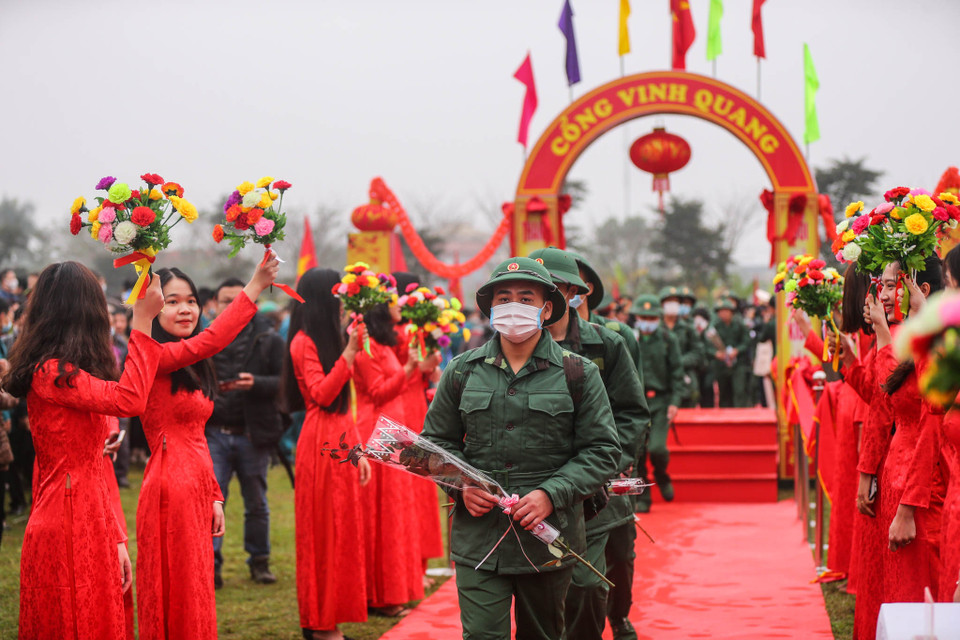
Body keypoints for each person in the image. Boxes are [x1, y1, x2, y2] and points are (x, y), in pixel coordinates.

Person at [422, 256, 620, 640]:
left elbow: (602, 451)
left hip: (549, 538)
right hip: (479, 538)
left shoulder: (578, 373)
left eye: (526, 299)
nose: (514, 306)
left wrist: (551, 494)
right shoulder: (462, 371)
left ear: (546, 309)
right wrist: (462, 485)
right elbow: (433, 444)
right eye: (504, 298)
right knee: (481, 635)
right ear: (491, 309)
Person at [4, 261, 164, 639]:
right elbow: (129, 400)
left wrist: (117, 540)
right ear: (84, 312)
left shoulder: (66, 371)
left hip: (90, 513)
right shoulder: (51, 372)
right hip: (67, 520)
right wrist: (142, 320)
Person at [136, 258, 279, 640]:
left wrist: (214, 493)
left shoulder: (192, 364)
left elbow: (197, 437)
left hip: (196, 482)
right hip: (171, 486)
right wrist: (255, 285)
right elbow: (214, 338)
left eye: (191, 301)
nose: (185, 309)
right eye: (171, 301)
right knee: (179, 586)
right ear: (151, 306)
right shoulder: (152, 356)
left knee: (196, 585)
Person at [529, 248, 648, 640]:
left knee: (609, 568)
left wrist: (612, 463)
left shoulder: (607, 344)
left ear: (573, 293)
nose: (544, 298)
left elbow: (632, 412)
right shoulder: (518, 346)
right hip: (541, 485)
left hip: (600, 482)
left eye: (553, 288)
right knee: (555, 582)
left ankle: (620, 616)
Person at [853, 256, 944, 638]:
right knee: (897, 588)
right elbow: (882, 403)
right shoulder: (906, 335)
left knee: (919, 593)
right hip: (897, 470)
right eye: (883, 284)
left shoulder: (937, 343)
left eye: (893, 285)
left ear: (921, 290)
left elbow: (920, 415)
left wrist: (883, 337)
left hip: (922, 479)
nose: (885, 294)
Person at [282, 268, 373, 640]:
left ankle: (331, 618)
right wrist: (349, 352)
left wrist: (358, 451)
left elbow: (342, 404)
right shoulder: (302, 342)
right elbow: (321, 395)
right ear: (323, 299)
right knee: (323, 534)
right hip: (320, 444)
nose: (342, 306)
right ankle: (320, 626)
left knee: (341, 532)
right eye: (338, 298)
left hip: (339, 439)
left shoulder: (328, 339)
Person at [206, 277, 286, 588]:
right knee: (213, 501)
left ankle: (260, 561)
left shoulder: (268, 338)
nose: (231, 306)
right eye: (225, 301)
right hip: (215, 431)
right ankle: (211, 565)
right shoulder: (205, 338)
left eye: (237, 300)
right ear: (214, 305)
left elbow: (284, 382)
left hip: (252, 432)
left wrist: (257, 383)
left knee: (257, 503)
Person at [352, 298, 424, 615]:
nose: (399, 306)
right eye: (392, 300)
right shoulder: (368, 350)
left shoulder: (383, 346)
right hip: (377, 432)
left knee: (395, 513)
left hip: (393, 431)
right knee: (384, 516)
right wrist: (407, 369)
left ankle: (395, 588)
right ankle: (381, 595)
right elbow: (378, 392)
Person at [391, 272, 444, 582]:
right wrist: (421, 368)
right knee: (407, 486)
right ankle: (410, 566)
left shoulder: (414, 330)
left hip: (416, 407)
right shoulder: (395, 332)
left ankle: (419, 564)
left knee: (419, 486)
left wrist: (430, 369)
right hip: (402, 407)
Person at [631, 295, 684, 512]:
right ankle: (644, 496)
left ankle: (661, 474)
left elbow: (677, 373)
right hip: (636, 401)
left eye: (651, 318)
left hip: (661, 401)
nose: (647, 322)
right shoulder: (629, 338)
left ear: (658, 318)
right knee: (639, 451)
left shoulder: (668, 339)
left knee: (657, 448)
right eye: (643, 317)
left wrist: (675, 402)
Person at [659, 286, 703, 408]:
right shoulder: (656, 328)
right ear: (662, 304)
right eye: (669, 301)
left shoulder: (688, 328)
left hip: (685, 380)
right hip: (661, 381)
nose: (672, 304)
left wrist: (678, 362)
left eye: (676, 302)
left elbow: (697, 352)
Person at [711, 299, 750, 408]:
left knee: (739, 390)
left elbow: (746, 341)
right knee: (724, 393)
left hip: (738, 363)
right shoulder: (715, 326)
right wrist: (716, 353)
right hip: (721, 364)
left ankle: (740, 414)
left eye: (726, 311)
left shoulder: (740, 324)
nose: (724, 314)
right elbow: (707, 345)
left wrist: (737, 350)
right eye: (721, 311)